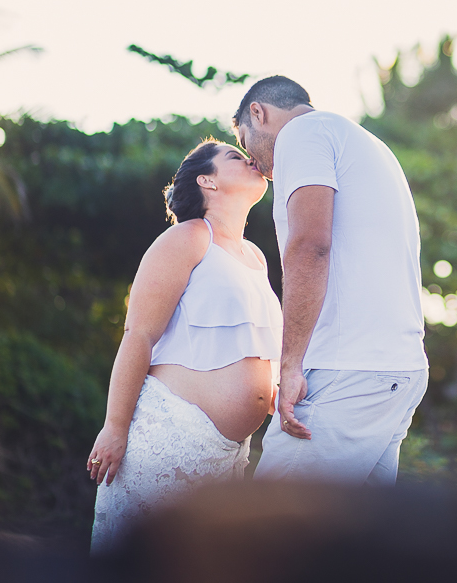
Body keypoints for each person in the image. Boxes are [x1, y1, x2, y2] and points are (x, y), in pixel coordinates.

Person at [86, 140, 281, 554]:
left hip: (230, 456)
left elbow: (250, 349)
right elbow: (138, 334)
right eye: (233, 155)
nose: (248, 159)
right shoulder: (188, 237)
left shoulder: (256, 258)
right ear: (206, 180)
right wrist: (115, 426)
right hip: (172, 435)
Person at [233, 75, 427, 485]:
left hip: (347, 371)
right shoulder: (370, 145)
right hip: (398, 368)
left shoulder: (302, 133)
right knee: (354, 541)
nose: (253, 162)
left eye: (246, 143)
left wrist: (290, 365)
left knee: (273, 529)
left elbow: (310, 245)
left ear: (258, 113)